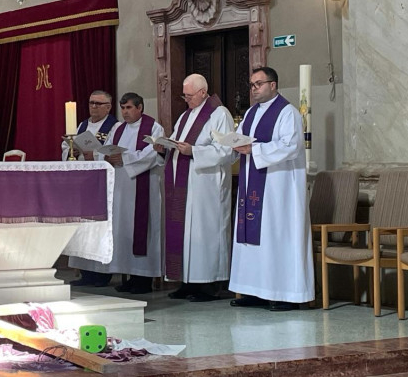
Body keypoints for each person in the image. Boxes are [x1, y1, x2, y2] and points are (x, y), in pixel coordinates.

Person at [229, 67, 313, 311]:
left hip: (279, 189)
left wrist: (254, 149)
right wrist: (232, 144)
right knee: (254, 239)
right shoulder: (251, 113)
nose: (254, 89)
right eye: (252, 84)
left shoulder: (288, 112)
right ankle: (256, 291)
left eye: (259, 84)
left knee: (276, 236)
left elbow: (291, 146)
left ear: (273, 85)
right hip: (252, 184)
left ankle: (286, 295)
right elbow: (240, 139)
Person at [68, 93, 164, 293]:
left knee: (142, 231)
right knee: (124, 232)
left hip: (142, 187)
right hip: (120, 189)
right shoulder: (119, 129)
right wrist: (99, 156)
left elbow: (155, 153)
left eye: (129, 108)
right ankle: (129, 276)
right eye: (123, 108)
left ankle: (143, 280)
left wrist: (125, 159)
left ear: (140, 107)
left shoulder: (153, 127)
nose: (125, 112)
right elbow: (105, 150)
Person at [154, 73, 234, 302]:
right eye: (184, 95)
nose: (186, 99)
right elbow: (177, 142)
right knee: (187, 236)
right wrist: (164, 146)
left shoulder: (220, 114)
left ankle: (209, 285)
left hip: (206, 187)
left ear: (202, 92)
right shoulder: (185, 116)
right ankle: (187, 282)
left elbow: (226, 150)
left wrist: (194, 151)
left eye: (189, 95)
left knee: (205, 233)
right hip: (184, 185)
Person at [61, 90, 118, 161]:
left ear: (108, 107)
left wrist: (95, 155)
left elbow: (114, 152)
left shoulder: (115, 126)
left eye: (98, 103)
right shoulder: (83, 125)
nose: (93, 106)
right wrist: (71, 152)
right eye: (91, 103)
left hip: (101, 167)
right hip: (81, 166)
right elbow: (66, 146)